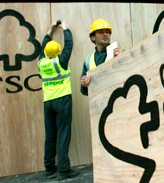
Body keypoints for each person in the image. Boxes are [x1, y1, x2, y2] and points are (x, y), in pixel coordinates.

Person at [37, 21, 79, 180]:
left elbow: (42, 46)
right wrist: (65, 28)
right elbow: (69, 44)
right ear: (58, 51)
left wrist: (49, 30)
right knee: (63, 134)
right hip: (62, 101)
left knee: (50, 135)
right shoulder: (61, 61)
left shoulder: (42, 62)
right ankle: (63, 169)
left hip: (48, 103)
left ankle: (49, 167)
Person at [80, 18, 124, 95]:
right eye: (101, 32)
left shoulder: (119, 52)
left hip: (117, 98)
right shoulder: (88, 60)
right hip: (98, 101)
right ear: (93, 37)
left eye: (107, 32)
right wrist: (84, 84)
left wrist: (122, 58)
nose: (105, 34)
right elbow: (84, 91)